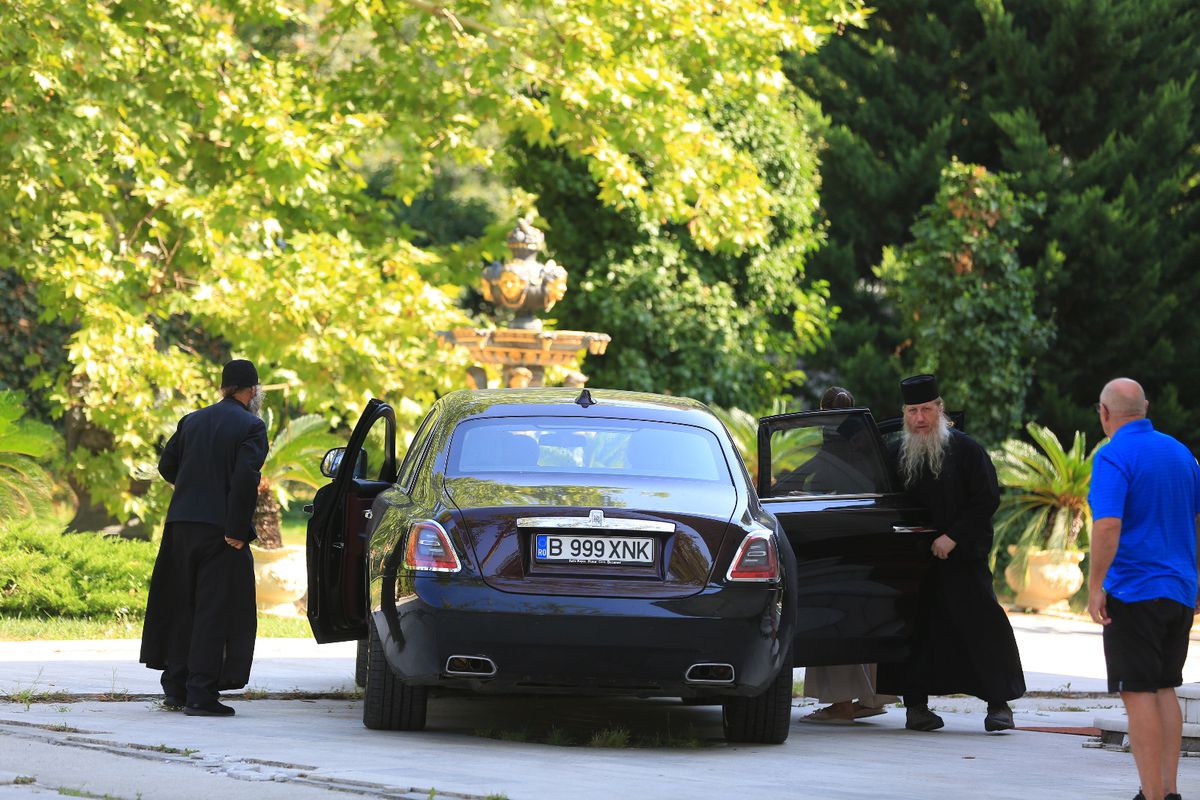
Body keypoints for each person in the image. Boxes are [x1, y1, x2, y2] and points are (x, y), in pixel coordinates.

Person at [876, 373, 1025, 732]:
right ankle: (916, 708)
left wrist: (952, 537)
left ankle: (998, 706)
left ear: (939, 410)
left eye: (926, 409)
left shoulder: (966, 449)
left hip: (962, 558)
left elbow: (986, 499)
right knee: (915, 633)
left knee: (982, 627)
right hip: (914, 563)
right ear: (905, 412)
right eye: (913, 411)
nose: (920, 418)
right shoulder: (895, 451)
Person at [1086, 378, 1199, 800]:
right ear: (1146, 407)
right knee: (1166, 686)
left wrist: (1096, 585)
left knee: (1138, 693)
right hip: (1180, 590)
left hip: (1134, 591)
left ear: (1104, 413)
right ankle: (1167, 790)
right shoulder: (1182, 454)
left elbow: (1108, 524)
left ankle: (1153, 795)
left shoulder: (1114, 456)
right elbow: (1199, 521)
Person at [139, 359, 268, 717]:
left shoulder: (192, 420)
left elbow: (167, 466)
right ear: (252, 390)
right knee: (213, 608)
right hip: (220, 532)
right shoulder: (252, 426)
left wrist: (193, 487)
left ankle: (175, 687)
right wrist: (237, 531)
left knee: (182, 604)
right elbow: (246, 478)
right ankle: (200, 694)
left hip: (180, 525)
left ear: (224, 387)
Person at [801, 386, 899, 723]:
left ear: (822, 411)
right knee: (865, 616)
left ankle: (841, 703)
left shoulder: (833, 442)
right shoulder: (868, 442)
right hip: (871, 540)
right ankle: (873, 697)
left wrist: (787, 482)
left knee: (831, 616)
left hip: (836, 542)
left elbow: (817, 479)